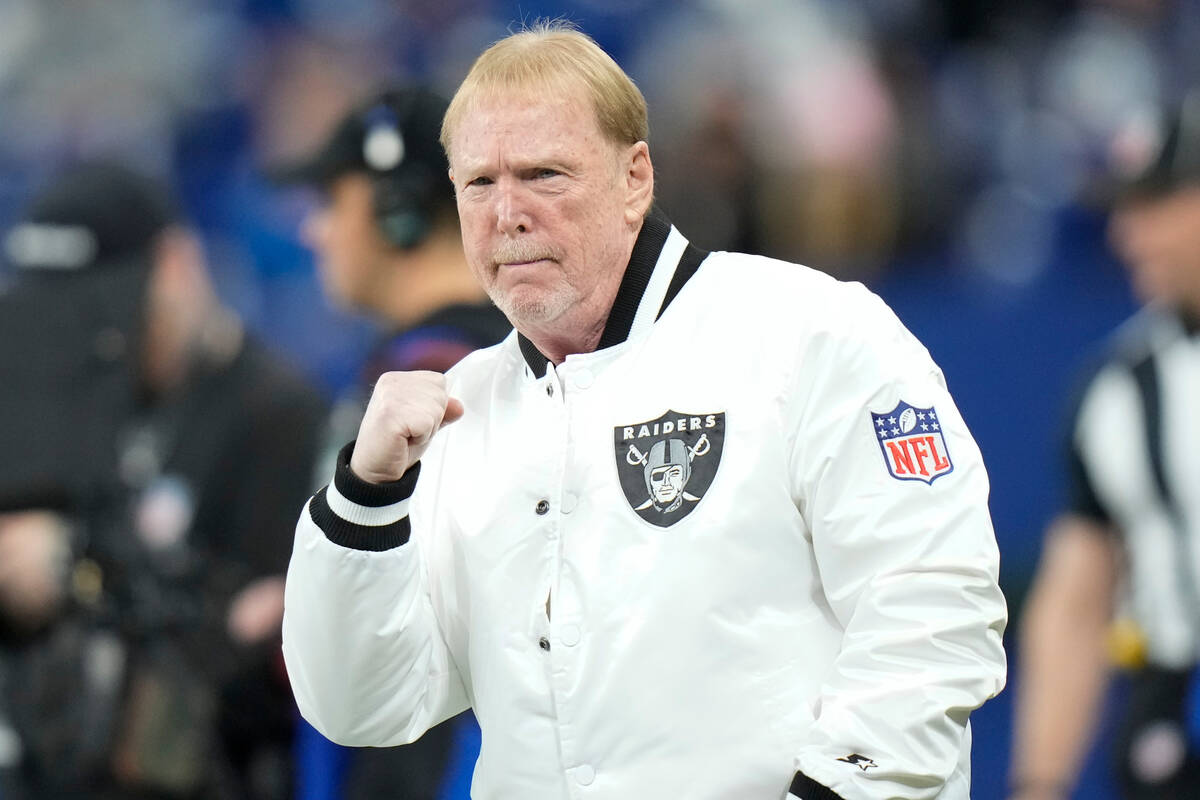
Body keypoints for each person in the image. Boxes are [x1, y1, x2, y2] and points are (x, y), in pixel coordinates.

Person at [282, 22, 1007, 800]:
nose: (508, 213)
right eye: (479, 184)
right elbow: (365, 706)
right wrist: (365, 498)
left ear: (635, 177)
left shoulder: (811, 333)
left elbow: (933, 609)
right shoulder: (463, 409)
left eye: (544, 174)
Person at [0, 161, 328, 799]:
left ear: (176, 268)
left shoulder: (275, 416)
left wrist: (73, 568)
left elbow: (269, 657)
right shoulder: (58, 404)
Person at [271, 85, 509, 799]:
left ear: (395, 210)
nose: (315, 232)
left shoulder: (444, 371)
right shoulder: (434, 356)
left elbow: (434, 615)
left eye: (329, 203)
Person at [1009, 90, 1200, 800]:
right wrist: (1040, 784)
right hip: (1174, 717)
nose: (1127, 234)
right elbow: (1075, 606)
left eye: (1153, 204)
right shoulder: (1118, 389)